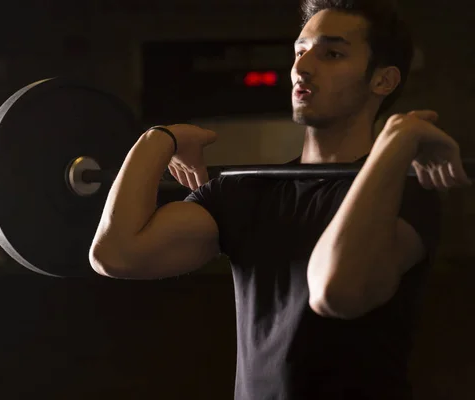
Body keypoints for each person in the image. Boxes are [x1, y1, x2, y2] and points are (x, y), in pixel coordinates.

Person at [89, 0, 471, 398]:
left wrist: (395, 143)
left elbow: (336, 292)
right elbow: (116, 255)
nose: (302, 67)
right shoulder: (246, 191)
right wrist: (159, 139)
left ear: (383, 81)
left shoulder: (406, 193)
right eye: (300, 51)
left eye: (332, 54)